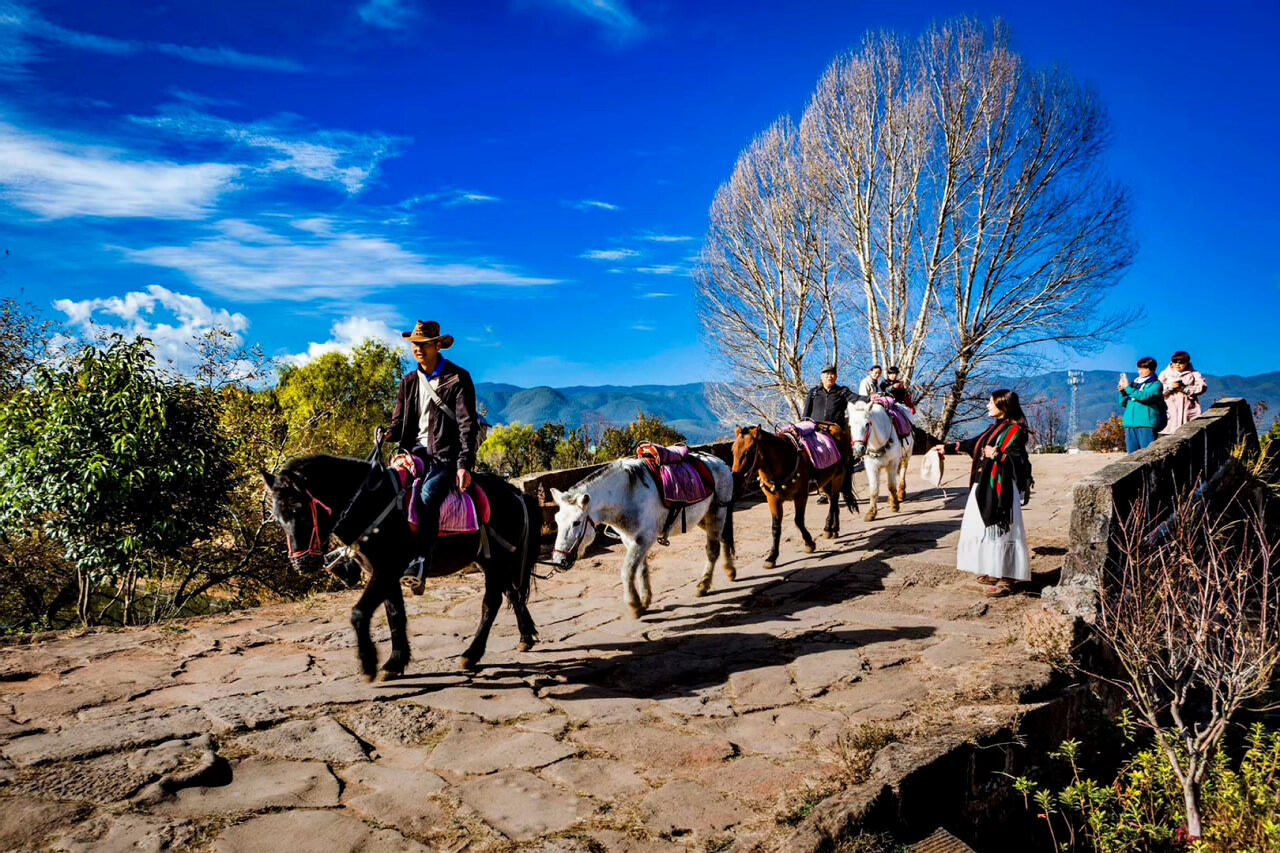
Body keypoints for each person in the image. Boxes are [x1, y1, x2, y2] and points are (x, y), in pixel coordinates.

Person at [385, 320, 479, 595]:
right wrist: (388, 432)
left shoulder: (457, 378)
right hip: (412, 453)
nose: (418, 349)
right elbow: (400, 420)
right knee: (383, 489)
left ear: (438, 345)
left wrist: (464, 465)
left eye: (424, 344)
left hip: (445, 457)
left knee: (427, 496)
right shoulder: (409, 382)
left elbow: (467, 425)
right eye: (415, 345)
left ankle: (421, 563)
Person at [932, 389, 1032, 597]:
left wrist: (998, 455)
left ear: (1003, 406)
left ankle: (1007, 577)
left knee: (1004, 531)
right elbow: (973, 444)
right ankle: (994, 568)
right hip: (983, 485)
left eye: (991, 402)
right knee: (981, 529)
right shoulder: (995, 428)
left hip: (1001, 490)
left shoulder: (1015, 432)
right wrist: (947, 448)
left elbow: (1020, 463)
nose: (987, 406)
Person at [802, 365, 859, 507]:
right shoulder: (814, 392)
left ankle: (844, 489)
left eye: (832, 374)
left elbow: (856, 398)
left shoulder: (842, 391)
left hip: (835, 431)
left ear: (836, 377)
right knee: (811, 457)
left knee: (846, 460)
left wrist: (870, 397)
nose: (830, 376)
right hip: (815, 430)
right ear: (822, 377)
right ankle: (821, 491)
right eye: (827, 374)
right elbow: (806, 414)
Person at [1117, 356, 1165, 452]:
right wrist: (1122, 392)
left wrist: (1128, 388)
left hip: (1146, 423)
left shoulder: (1156, 384)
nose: (1140, 371)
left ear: (1152, 369)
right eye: (1139, 368)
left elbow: (1145, 396)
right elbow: (1123, 403)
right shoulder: (1134, 384)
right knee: (1131, 456)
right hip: (1130, 424)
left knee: (1147, 454)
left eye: (1144, 368)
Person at [1157, 351, 1206, 435]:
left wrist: (1185, 388)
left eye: (1181, 362)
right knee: (1168, 431)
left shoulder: (1194, 374)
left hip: (1188, 407)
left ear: (1187, 362)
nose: (1177, 364)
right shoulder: (1165, 374)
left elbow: (1202, 387)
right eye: (1175, 361)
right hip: (1169, 406)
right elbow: (1157, 388)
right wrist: (1170, 387)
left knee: (1188, 432)